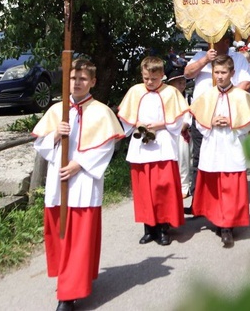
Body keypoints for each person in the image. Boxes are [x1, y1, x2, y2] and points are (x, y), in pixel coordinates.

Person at [31, 58, 125, 311]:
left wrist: (79, 163)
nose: (77, 83)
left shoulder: (102, 112)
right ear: (66, 80)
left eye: (83, 79)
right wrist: (55, 136)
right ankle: (67, 281)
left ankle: (68, 295)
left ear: (93, 81)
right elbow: (39, 144)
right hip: (58, 183)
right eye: (73, 78)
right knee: (61, 236)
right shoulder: (56, 110)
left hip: (84, 182)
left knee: (79, 238)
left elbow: (106, 147)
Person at [190, 55, 250, 247]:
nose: (220, 76)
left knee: (231, 185)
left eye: (223, 72)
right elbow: (198, 120)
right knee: (215, 184)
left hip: (232, 144)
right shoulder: (206, 95)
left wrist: (233, 123)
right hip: (213, 143)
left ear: (232, 73)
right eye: (216, 72)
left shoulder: (241, 95)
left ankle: (228, 227)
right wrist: (210, 122)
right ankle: (218, 219)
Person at [117, 56, 189, 247]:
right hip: (141, 147)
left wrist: (161, 124)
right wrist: (136, 124)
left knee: (162, 189)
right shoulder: (135, 91)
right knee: (144, 190)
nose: (150, 82)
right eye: (146, 78)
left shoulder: (171, 92)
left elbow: (178, 120)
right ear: (142, 74)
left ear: (162, 76)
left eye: (154, 79)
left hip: (163, 144)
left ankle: (164, 228)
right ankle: (149, 228)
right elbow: (126, 119)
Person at [184, 29, 250, 183]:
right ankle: (198, 200)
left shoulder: (238, 58)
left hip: (228, 115)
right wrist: (205, 60)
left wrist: (226, 98)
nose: (212, 43)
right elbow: (187, 74)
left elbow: (246, 82)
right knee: (199, 156)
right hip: (203, 114)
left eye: (215, 40)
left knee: (227, 157)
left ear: (226, 42)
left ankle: (226, 195)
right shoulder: (200, 56)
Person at [165, 67, 193, 198]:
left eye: (183, 82)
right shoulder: (165, 97)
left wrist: (186, 123)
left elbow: (189, 113)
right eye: (178, 83)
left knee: (184, 159)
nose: (182, 85)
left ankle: (185, 186)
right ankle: (171, 185)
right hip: (168, 132)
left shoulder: (188, 97)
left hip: (182, 132)